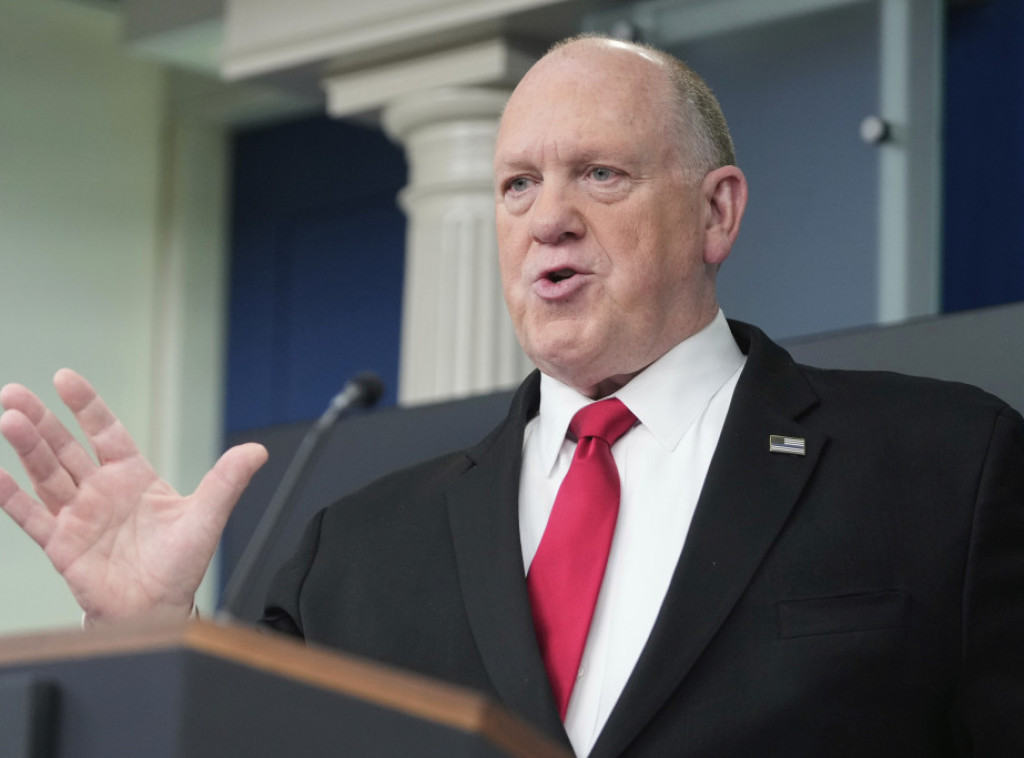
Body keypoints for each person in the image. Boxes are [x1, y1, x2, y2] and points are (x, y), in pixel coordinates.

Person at [1, 35, 1022, 757]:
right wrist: (145, 633)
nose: (548, 220)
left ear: (716, 213)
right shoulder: (351, 556)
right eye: (517, 185)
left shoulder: (945, 466)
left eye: (601, 174)